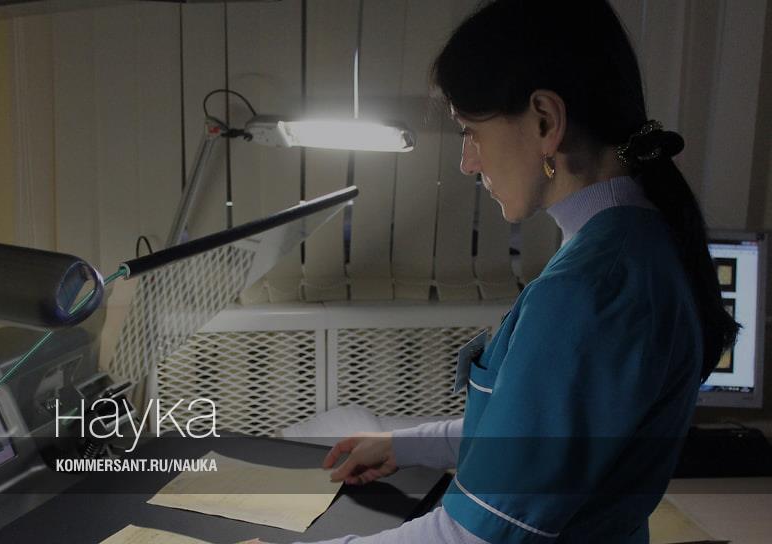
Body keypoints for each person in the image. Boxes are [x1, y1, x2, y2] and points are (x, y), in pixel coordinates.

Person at [250, 0, 740, 542]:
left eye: (470, 131)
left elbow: (474, 536)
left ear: (545, 120)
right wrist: (405, 445)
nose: (468, 162)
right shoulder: (634, 241)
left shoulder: (590, 289)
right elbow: (543, 437)